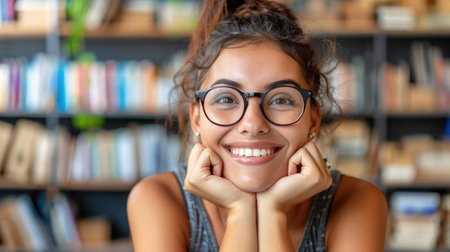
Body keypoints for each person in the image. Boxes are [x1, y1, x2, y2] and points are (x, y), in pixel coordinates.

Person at [127, 0, 388, 251]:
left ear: (313, 119)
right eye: (226, 98)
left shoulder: (356, 201)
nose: (253, 124)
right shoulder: (158, 199)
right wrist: (240, 210)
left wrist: (272, 212)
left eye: (281, 99)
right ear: (197, 117)